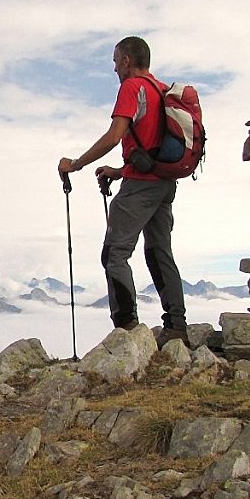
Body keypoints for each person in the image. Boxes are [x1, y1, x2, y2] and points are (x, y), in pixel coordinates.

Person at [57, 35, 188, 346]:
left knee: (115, 253)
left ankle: (127, 329)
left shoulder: (132, 87)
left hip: (141, 188)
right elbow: (151, 146)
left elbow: (115, 135)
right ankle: (177, 327)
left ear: (127, 60)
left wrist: (75, 164)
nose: (115, 68)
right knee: (159, 252)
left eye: (116, 61)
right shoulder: (159, 88)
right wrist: (118, 171)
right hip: (163, 184)